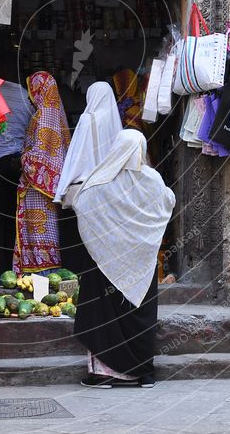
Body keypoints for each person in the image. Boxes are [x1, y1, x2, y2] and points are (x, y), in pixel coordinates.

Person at [72, 129, 175, 388]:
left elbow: (81, 203)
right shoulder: (152, 179)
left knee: (103, 316)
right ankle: (144, 374)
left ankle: (105, 375)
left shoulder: (101, 182)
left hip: (104, 261)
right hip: (141, 262)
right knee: (141, 316)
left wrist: (104, 236)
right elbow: (169, 201)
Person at [14, 71, 71, 274]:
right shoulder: (56, 114)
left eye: (33, 90)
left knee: (37, 232)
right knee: (49, 232)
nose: (30, 96)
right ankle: (49, 273)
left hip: (37, 188)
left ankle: (39, 275)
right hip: (51, 189)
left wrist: (23, 159)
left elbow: (39, 156)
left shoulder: (42, 117)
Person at [0, 80, 34, 273]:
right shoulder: (26, 96)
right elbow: (30, 131)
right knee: (12, 220)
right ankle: (12, 270)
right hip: (16, 163)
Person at [54, 81, 122, 206]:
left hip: (89, 186)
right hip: (113, 186)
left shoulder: (87, 119)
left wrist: (63, 185)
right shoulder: (116, 122)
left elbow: (77, 154)